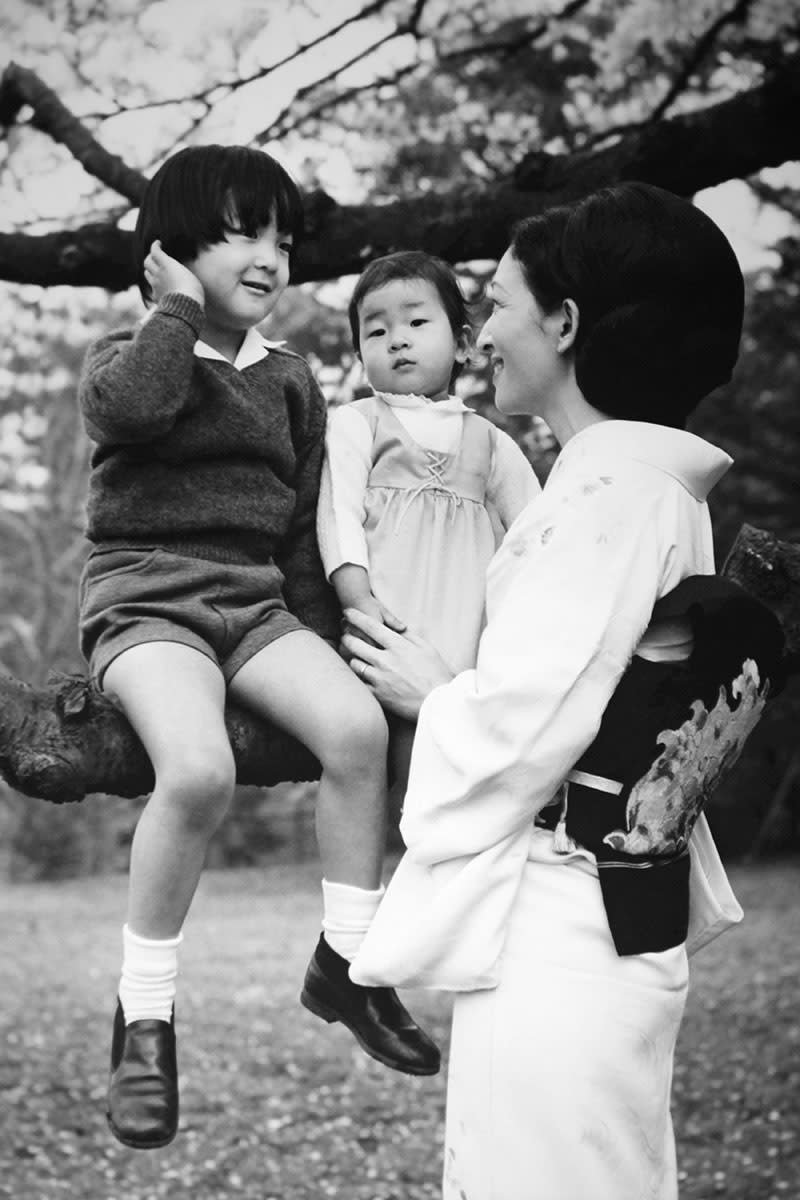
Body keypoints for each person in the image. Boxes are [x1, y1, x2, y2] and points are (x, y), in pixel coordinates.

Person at [337, 183, 785, 1199]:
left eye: (496, 304)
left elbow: (521, 729)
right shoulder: (645, 490)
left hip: (555, 919)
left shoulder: (597, 501)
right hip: (609, 915)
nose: (480, 332)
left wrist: (432, 692)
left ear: (565, 323)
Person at [77, 145, 439, 1152]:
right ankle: (144, 1019)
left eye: (282, 236)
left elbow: (296, 531)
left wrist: (321, 646)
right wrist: (176, 309)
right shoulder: (132, 350)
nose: (272, 255)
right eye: (243, 230)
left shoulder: (289, 381)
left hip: (255, 603)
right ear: (177, 248)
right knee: (196, 769)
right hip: (148, 596)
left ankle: (347, 962)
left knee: (355, 731)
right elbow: (132, 412)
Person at [317, 250, 539, 791]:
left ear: (464, 343)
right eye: (377, 331)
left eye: (417, 322)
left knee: (461, 765)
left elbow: (538, 535)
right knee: (400, 766)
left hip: (467, 642)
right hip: (386, 627)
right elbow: (337, 517)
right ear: (359, 352)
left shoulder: (491, 443)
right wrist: (360, 605)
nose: (397, 339)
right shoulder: (357, 424)